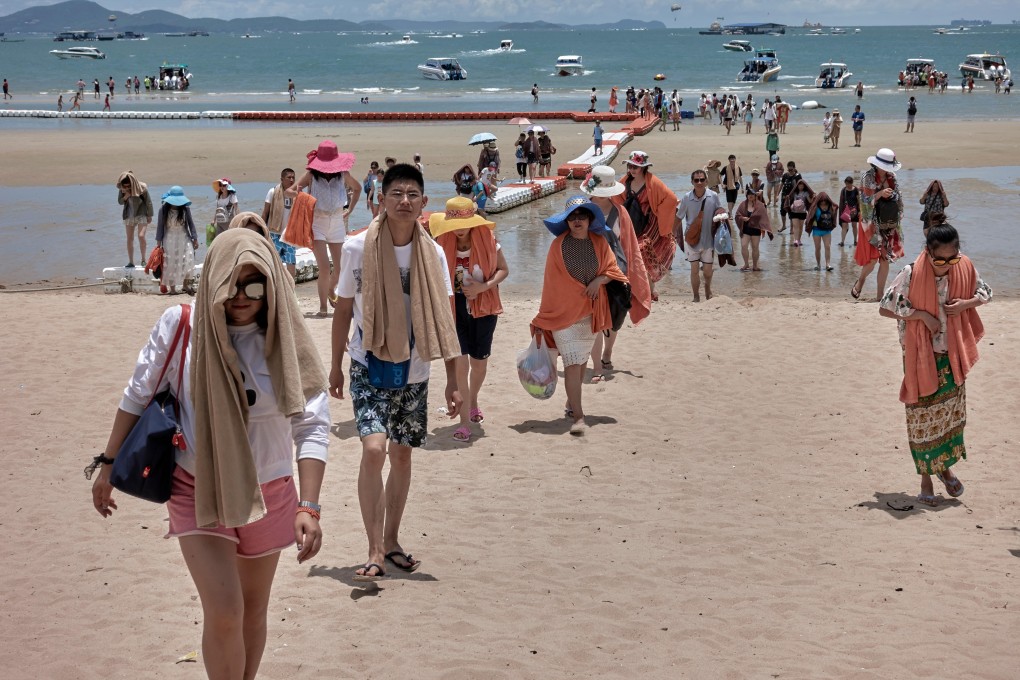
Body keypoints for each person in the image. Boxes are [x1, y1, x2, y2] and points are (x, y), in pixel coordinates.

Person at [89, 228, 330, 680]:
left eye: (255, 283)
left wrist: (309, 505)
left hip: (272, 491)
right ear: (213, 276)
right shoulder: (182, 326)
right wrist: (106, 464)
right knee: (225, 611)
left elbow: (312, 423)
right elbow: (138, 394)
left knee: (253, 612)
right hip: (197, 486)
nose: (242, 295)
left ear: (273, 284)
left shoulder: (287, 339)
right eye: (231, 282)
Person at [329, 163, 462, 581]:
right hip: (368, 362)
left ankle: (391, 541)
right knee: (374, 450)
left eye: (412, 194)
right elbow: (344, 310)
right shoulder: (355, 248)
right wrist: (334, 365)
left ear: (424, 203)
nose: (404, 201)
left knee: (402, 455)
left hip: (416, 368)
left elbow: (446, 317)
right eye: (396, 194)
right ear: (380, 200)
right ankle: (372, 548)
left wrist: (455, 382)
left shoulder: (434, 253)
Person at [878, 224, 991, 507]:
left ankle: (945, 468)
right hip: (920, 355)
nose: (946, 266)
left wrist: (966, 304)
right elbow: (885, 306)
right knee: (921, 421)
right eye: (940, 260)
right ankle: (926, 479)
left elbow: (986, 291)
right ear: (928, 253)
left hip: (951, 354)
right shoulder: (911, 273)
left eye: (952, 259)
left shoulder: (963, 267)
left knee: (948, 419)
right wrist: (920, 316)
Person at [532, 195, 627, 435]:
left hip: (590, 313)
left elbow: (613, 270)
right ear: (566, 221)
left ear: (589, 219)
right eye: (572, 217)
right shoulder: (558, 246)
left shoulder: (599, 242)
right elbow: (552, 285)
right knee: (573, 364)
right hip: (564, 314)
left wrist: (599, 280)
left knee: (582, 362)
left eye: (581, 216)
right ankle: (579, 416)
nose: (577, 221)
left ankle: (570, 404)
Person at [428, 197, 509, 443]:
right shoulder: (441, 245)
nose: (461, 228)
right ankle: (464, 422)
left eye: (466, 222)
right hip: (454, 310)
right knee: (460, 364)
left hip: (483, 308)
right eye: (456, 222)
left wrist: (483, 287)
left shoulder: (488, 241)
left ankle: (473, 400)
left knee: (479, 364)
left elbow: (503, 270)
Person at [580, 166, 652, 380]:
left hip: (615, 272)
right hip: (589, 272)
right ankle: (598, 366)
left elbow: (630, 246)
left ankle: (608, 352)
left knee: (614, 318)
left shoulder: (621, 213)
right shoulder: (582, 211)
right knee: (595, 318)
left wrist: (634, 274)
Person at [289, 140, 362, 317]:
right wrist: (299, 195)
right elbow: (289, 191)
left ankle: (331, 290)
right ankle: (323, 307)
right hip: (317, 222)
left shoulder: (343, 174)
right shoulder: (311, 175)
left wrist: (349, 210)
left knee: (340, 267)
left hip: (337, 221)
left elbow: (358, 188)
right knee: (323, 267)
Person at [622, 150, 678, 301]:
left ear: (644, 168)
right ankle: (649, 291)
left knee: (640, 253)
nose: (632, 170)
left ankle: (646, 291)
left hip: (649, 226)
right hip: (631, 225)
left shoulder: (652, 182)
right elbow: (615, 199)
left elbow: (671, 198)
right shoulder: (625, 181)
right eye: (630, 166)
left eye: (635, 167)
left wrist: (658, 212)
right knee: (635, 257)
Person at [852, 148, 905, 301]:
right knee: (873, 259)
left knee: (885, 258)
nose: (887, 171)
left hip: (888, 221)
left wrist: (898, 215)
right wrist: (880, 194)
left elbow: (899, 197)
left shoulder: (892, 177)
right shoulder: (867, 177)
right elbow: (864, 202)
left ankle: (879, 296)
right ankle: (861, 281)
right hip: (870, 222)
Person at [675, 168, 723, 302]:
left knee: (708, 272)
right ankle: (696, 296)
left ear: (706, 181)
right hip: (692, 240)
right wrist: (671, 234)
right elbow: (679, 217)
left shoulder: (713, 196)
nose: (699, 182)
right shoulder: (686, 197)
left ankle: (708, 290)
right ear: (692, 181)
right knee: (694, 270)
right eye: (696, 180)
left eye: (702, 179)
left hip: (709, 240)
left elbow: (719, 211)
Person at [156, 186, 199, 294]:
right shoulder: (163, 210)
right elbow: (160, 227)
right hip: (169, 240)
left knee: (187, 260)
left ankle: (185, 285)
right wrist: (158, 244)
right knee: (171, 263)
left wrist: (195, 239)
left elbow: (191, 224)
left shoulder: (185, 209)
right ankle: (173, 289)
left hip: (184, 238)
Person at [262, 167, 298, 278]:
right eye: (289, 177)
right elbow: (265, 213)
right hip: (274, 233)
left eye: (293, 177)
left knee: (291, 262)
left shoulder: (297, 194)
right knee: (273, 261)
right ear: (282, 179)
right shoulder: (273, 192)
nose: (291, 180)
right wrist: (261, 231)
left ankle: (291, 289)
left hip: (290, 234)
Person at [116, 171, 153, 268]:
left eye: (129, 186)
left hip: (142, 214)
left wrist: (150, 215)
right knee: (129, 238)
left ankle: (143, 260)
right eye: (125, 186)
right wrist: (126, 196)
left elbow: (148, 202)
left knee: (141, 236)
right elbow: (120, 202)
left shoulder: (141, 187)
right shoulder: (122, 189)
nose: (127, 187)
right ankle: (131, 262)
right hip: (129, 215)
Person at [734, 188, 772, 272]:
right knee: (744, 246)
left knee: (755, 248)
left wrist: (766, 228)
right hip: (745, 229)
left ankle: (755, 266)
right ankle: (746, 264)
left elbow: (764, 217)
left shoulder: (760, 205)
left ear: (755, 196)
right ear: (747, 195)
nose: (750, 196)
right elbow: (737, 215)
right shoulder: (742, 204)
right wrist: (742, 218)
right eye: (749, 194)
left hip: (756, 229)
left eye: (752, 194)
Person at [804, 192, 837, 271]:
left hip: (827, 230)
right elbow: (810, 214)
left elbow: (833, 216)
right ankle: (818, 265)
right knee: (817, 248)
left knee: (827, 247)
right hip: (817, 230)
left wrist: (834, 210)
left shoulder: (830, 207)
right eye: (821, 200)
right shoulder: (815, 207)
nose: (823, 202)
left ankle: (827, 264)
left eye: (824, 200)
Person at [783, 177, 815, 248]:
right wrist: (787, 198)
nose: (801, 186)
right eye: (799, 185)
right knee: (795, 226)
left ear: (804, 186)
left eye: (802, 185)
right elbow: (789, 199)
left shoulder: (806, 193)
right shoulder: (794, 193)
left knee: (800, 227)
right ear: (797, 186)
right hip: (794, 211)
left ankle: (799, 240)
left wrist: (813, 197)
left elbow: (810, 201)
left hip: (802, 212)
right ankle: (796, 240)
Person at [211, 178, 238, 243]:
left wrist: (238, 220)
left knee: (230, 240)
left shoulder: (232, 196)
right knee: (218, 240)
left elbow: (236, 209)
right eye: (221, 185)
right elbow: (217, 209)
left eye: (224, 185)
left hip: (229, 223)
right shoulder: (218, 196)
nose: (222, 187)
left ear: (228, 187)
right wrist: (213, 220)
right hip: (219, 222)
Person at [778, 160, 802, 233]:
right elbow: (781, 185)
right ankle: (784, 225)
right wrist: (777, 195)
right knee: (782, 211)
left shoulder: (798, 176)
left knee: (791, 213)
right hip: (784, 197)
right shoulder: (785, 175)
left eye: (791, 169)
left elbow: (801, 186)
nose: (790, 171)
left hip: (793, 197)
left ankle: (792, 229)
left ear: (794, 168)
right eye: (788, 169)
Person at [837, 176, 860, 247]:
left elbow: (859, 200)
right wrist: (841, 212)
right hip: (845, 211)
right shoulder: (843, 190)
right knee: (844, 226)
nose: (847, 185)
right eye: (846, 184)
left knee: (854, 226)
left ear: (852, 183)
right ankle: (842, 241)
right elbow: (841, 202)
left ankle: (855, 241)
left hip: (854, 211)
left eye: (848, 184)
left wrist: (859, 210)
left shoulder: (856, 190)